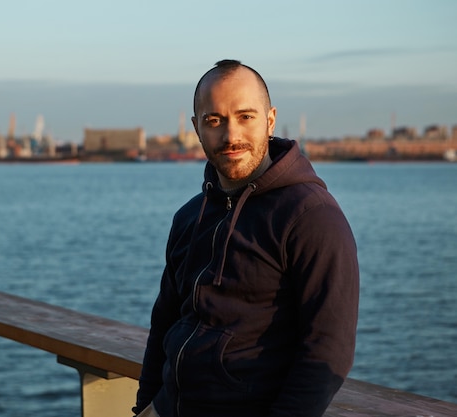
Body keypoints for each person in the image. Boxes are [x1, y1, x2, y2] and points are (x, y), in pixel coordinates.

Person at [133, 59, 359, 417]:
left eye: (245, 117)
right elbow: (163, 325)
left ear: (270, 120)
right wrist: (146, 406)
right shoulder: (190, 217)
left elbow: (327, 351)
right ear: (196, 127)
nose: (230, 135)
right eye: (214, 120)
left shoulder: (312, 218)